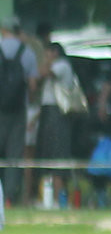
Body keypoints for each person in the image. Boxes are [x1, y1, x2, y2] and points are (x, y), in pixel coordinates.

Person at [33, 24, 81, 204]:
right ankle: (48, 196)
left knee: (57, 152)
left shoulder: (61, 65)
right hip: (48, 112)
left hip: (57, 113)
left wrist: (46, 61)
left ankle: (59, 197)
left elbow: (43, 72)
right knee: (47, 152)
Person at [0, 16, 41, 207]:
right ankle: (8, 197)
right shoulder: (27, 52)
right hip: (18, 110)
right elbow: (32, 85)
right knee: (14, 154)